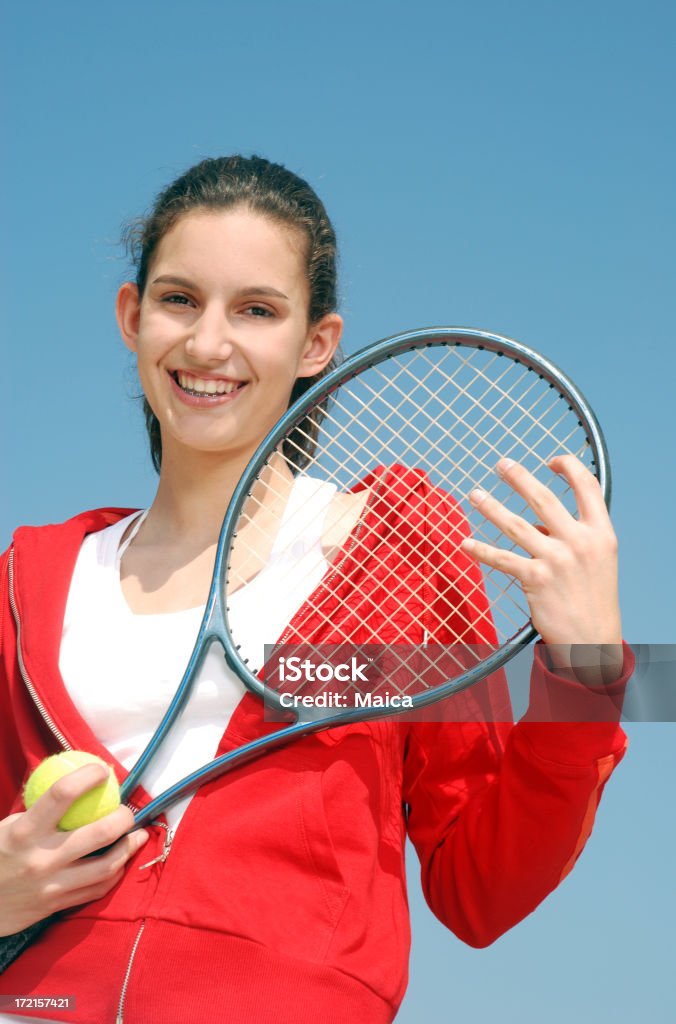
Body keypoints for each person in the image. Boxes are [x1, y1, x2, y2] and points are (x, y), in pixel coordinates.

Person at [0, 155, 633, 1024]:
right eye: (179, 299)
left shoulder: (400, 546)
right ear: (131, 316)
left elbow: (480, 888)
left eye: (256, 310)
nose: (208, 343)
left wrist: (587, 672)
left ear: (316, 345)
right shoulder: (33, 575)